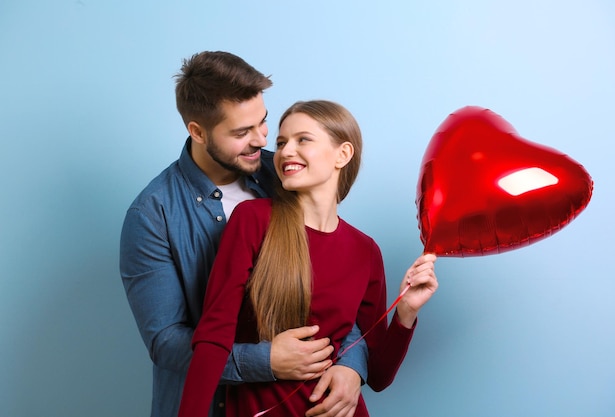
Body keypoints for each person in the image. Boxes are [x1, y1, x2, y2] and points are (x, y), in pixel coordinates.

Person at [120, 52, 368, 417]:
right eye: (241, 132)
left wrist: (352, 366)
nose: (261, 140)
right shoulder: (152, 215)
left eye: (263, 123)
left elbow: (334, 287)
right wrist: (266, 360)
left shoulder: (285, 173)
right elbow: (165, 341)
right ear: (198, 132)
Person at [178, 100, 439, 417]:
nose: (286, 151)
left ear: (342, 154)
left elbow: (379, 376)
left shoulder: (365, 250)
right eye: (281, 142)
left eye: (303, 140)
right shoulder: (252, 220)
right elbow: (213, 338)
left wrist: (406, 312)